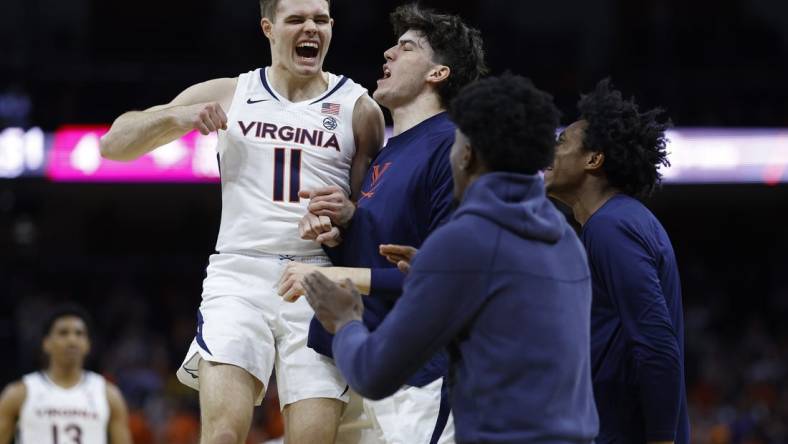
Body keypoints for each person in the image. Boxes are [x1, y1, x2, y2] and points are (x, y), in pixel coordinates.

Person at [99, 0, 385, 442]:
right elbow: (114, 144)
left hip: (318, 276)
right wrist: (179, 116)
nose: (311, 27)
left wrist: (341, 224)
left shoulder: (359, 107)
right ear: (269, 28)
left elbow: (367, 216)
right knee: (222, 435)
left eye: (321, 19)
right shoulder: (231, 91)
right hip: (239, 272)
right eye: (297, 20)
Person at [300, 74, 599, 443]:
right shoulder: (566, 238)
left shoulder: (464, 242)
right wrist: (432, 270)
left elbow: (372, 373)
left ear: (467, 154)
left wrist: (344, 319)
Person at [277, 4, 486, 442]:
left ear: (438, 74)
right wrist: (340, 231)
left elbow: (444, 280)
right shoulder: (391, 151)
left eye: (406, 47)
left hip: (420, 377)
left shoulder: (453, 147)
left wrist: (329, 274)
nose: (388, 53)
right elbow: (388, 253)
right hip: (368, 367)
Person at [544, 79, 689, 444]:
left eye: (562, 142)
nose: (550, 150)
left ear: (593, 159)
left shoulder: (612, 227)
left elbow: (657, 346)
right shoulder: (611, 223)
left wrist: (660, 440)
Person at [0, 305, 132, 444]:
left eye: (79, 333)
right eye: (63, 333)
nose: (72, 340)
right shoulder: (18, 393)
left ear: (88, 344)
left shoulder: (108, 394)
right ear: (46, 343)